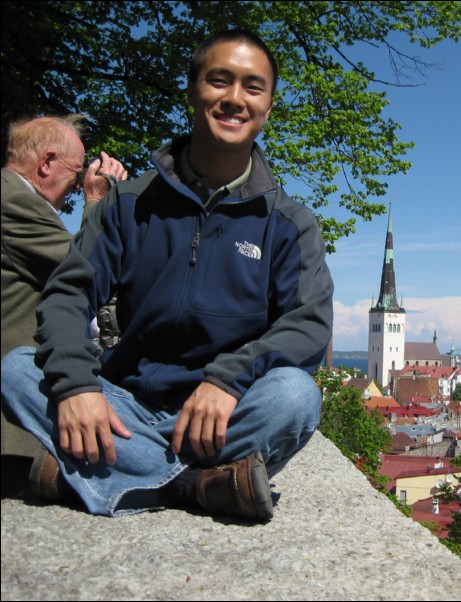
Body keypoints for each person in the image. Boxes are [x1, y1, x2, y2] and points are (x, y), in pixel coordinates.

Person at [1, 29, 334, 523]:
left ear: (268, 105)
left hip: (220, 416)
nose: (234, 98)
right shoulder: (130, 203)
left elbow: (308, 322)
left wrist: (227, 380)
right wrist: (76, 387)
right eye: (219, 80)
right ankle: (196, 486)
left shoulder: (287, 223)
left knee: (295, 396)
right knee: (17, 369)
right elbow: (68, 294)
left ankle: (105, 476)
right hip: (124, 407)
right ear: (192, 90)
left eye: (252, 86)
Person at [1, 115, 127, 493]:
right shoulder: (12, 200)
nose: (77, 186)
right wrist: (97, 203)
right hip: (12, 422)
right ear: (46, 162)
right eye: (76, 174)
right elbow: (85, 269)